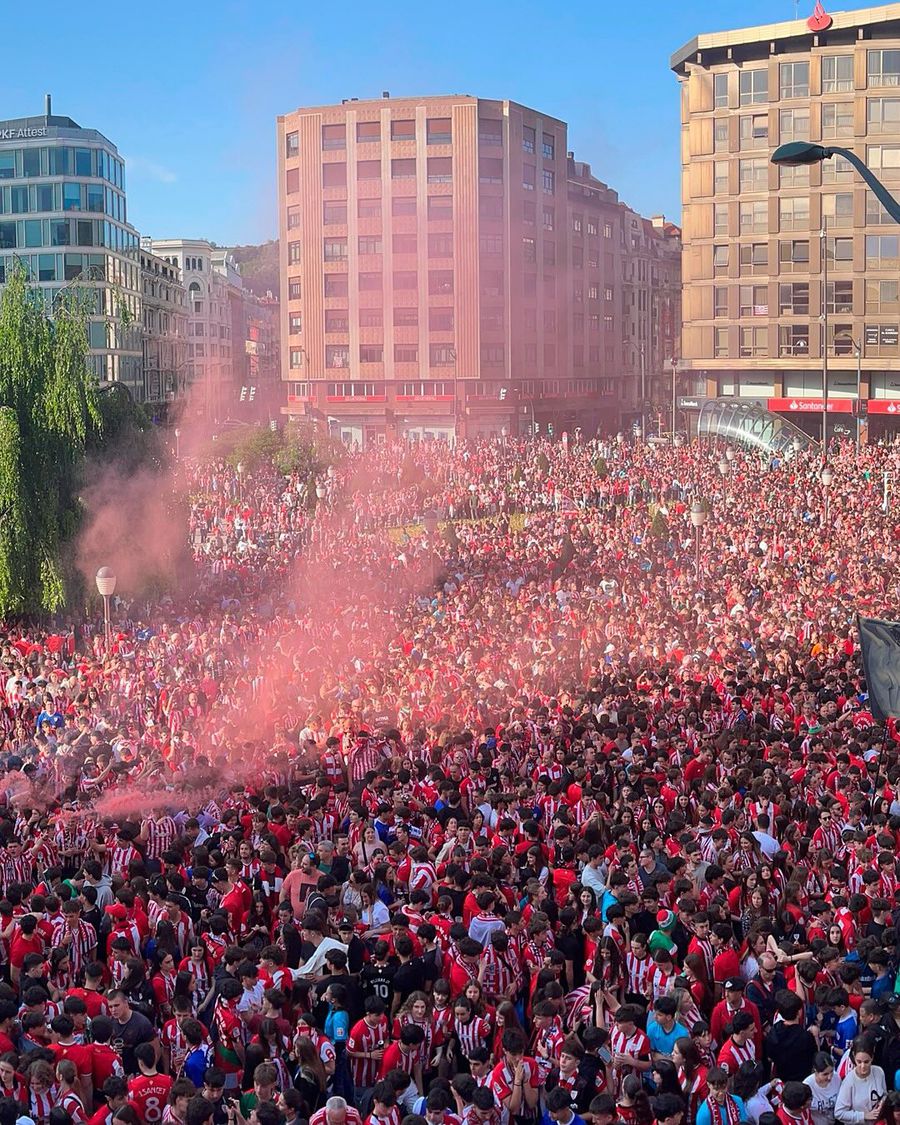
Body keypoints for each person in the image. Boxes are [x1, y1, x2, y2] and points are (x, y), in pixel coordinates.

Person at [834, 1037, 886, 1125]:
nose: (862, 1066)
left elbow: (884, 1094)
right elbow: (839, 1113)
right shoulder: (849, 1081)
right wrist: (863, 1116)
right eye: (859, 1062)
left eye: (866, 1062)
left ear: (872, 1058)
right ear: (854, 1057)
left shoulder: (879, 1072)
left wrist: (882, 1103)